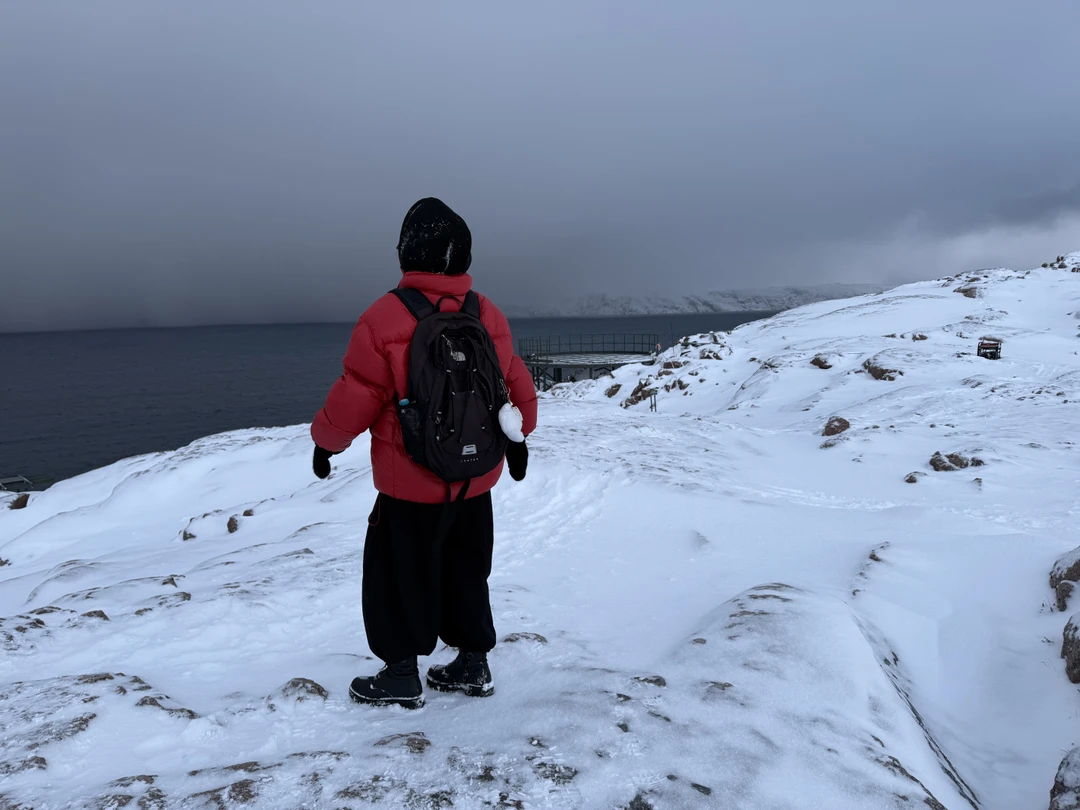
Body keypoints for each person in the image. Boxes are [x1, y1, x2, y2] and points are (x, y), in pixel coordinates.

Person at [310, 197, 537, 709]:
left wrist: (326, 443)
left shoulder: (385, 317)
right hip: (475, 477)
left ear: (408, 253)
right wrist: (520, 439)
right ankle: (473, 663)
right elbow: (515, 383)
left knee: (398, 575)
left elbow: (357, 395)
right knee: (467, 568)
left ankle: (399, 674)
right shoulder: (487, 313)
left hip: (409, 483)